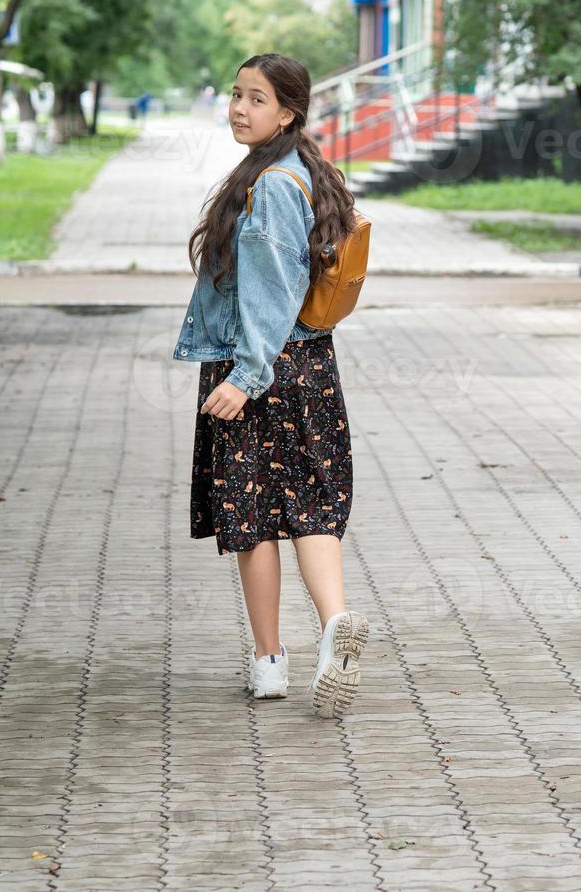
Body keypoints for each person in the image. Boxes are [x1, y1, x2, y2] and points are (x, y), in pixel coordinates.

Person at [172, 53, 368, 718]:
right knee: (311, 506)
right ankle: (336, 624)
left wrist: (245, 379)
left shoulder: (272, 185)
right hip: (310, 368)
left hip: (262, 369)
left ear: (288, 112)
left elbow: (272, 291)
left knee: (252, 518)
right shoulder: (299, 171)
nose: (238, 107)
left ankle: (269, 660)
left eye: (256, 99)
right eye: (235, 94)